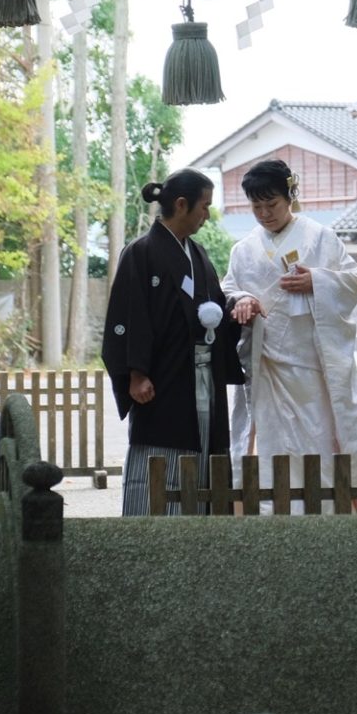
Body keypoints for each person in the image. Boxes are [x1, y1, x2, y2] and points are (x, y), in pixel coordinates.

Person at [100, 167, 244, 515]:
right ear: (182, 205)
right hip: (163, 378)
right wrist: (136, 373)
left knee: (206, 450)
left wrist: (237, 309)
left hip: (203, 376)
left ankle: (200, 537)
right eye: (204, 207)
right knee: (163, 451)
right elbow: (128, 314)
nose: (207, 215)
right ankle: (149, 534)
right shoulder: (141, 252)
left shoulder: (199, 255)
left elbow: (212, 309)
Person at [222, 159, 357, 499]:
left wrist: (316, 280)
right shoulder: (242, 250)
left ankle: (326, 509)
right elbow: (228, 289)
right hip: (266, 364)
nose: (264, 213)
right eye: (256, 206)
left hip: (310, 364)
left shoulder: (321, 237)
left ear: (290, 196)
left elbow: (354, 280)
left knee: (317, 437)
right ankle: (274, 511)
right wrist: (242, 299)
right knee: (272, 442)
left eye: (271, 204)